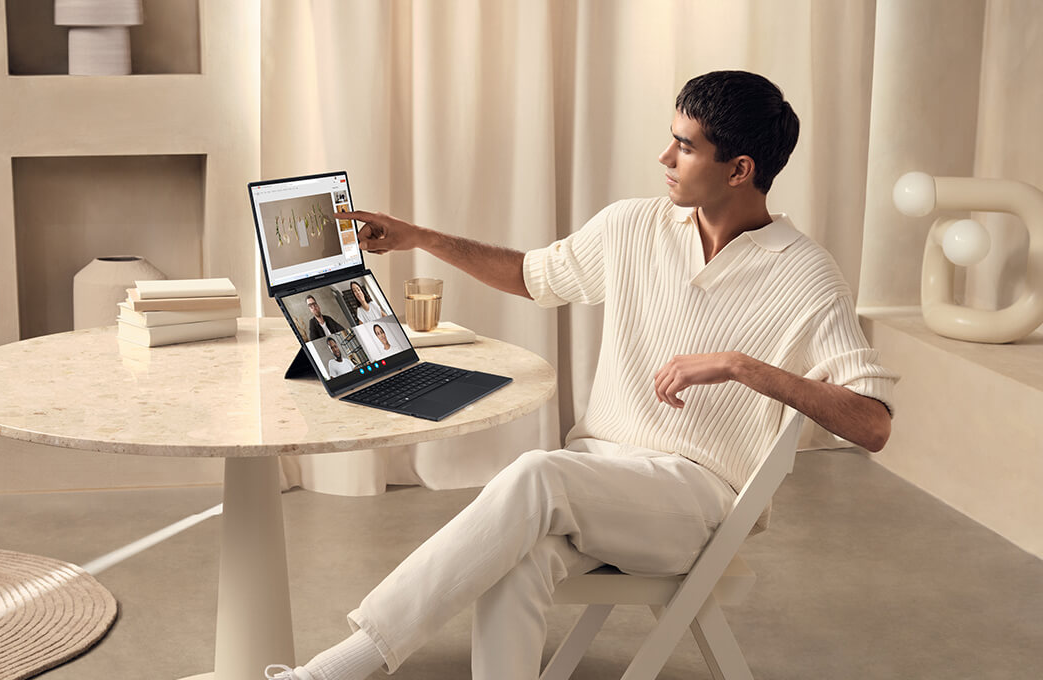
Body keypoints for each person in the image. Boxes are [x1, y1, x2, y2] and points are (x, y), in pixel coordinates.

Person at [266, 70, 897, 680]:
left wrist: (741, 366)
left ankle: (333, 671)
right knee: (513, 563)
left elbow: (872, 423)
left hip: (694, 500)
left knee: (539, 474)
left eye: (684, 146)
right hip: (596, 475)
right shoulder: (632, 226)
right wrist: (418, 237)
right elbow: (531, 276)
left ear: (739, 170)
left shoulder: (807, 274)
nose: (664, 157)